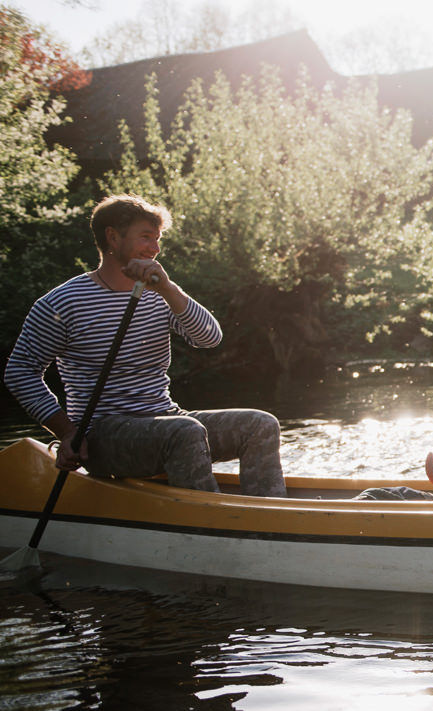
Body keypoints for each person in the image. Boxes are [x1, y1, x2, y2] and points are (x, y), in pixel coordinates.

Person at [4, 194, 286, 496]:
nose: (155, 248)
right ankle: (209, 523)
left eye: (158, 238)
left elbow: (210, 338)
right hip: (102, 435)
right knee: (185, 432)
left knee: (260, 424)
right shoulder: (63, 303)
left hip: (167, 419)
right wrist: (67, 432)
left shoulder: (160, 293)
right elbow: (20, 371)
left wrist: (168, 288)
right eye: (146, 237)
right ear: (113, 237)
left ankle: (274, 519)